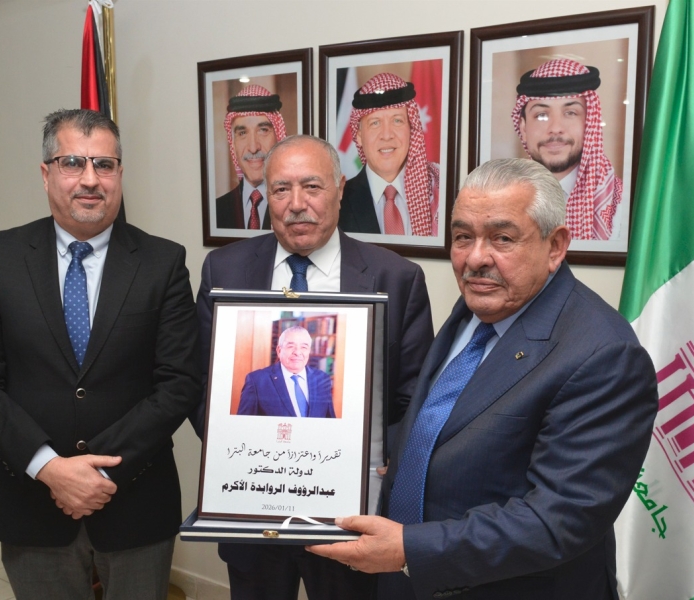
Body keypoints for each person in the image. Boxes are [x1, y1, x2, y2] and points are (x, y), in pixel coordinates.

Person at [308, 158, 658, 600]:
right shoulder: (481, 305)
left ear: (555, 246)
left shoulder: (604, 354)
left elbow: (558, 520)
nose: (475, 258)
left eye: (502, 238)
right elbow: (446, 420)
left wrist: (410, 550)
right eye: (462, 237)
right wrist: (349, 449)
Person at [0, 109, 201, 600]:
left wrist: (99, 473)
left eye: (104, 164)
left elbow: (180, 382)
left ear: (119, 173)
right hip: (33, 505)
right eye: (72, 163)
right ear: (46, 173)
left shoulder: (163, 261)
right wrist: (49, 467)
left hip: (136, 503)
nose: (90, 179)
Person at [192, 134, 435, 600]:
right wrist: (239, 452)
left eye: (312, 187)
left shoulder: (397, 277)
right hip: (253, 511)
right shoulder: (224, 269)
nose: (296, 204)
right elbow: (202, 383)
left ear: (340, 189)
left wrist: (371, 465)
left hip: (349, 517)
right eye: (281, 189)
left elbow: (412, 399)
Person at [512, 58, 623, 241]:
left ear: (589, 124)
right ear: (523, 129)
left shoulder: (620, 206)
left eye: (570, 113)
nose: (555, 128)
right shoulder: (505, 198)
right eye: (541, 115)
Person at [339, 72, 440, 237]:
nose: (386, 135)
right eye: (375, 123)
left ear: (411, 129)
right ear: (359, 137)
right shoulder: (337, 203)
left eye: (397, 121)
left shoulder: (440, 190)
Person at [216, 84, 287, 230]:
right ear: (233, 143)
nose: (253, 148)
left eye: (263, 130)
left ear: (278, 138)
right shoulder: (218, 209)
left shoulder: (293, 205)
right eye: (242, 133)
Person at [238, 326, 335, 418]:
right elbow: (244, 424)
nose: (297, 352)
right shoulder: (257, 381)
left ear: (309, 351)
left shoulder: (322, 379)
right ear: (279, 350)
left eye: (304, 347)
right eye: (291, 346)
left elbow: (329, 421)